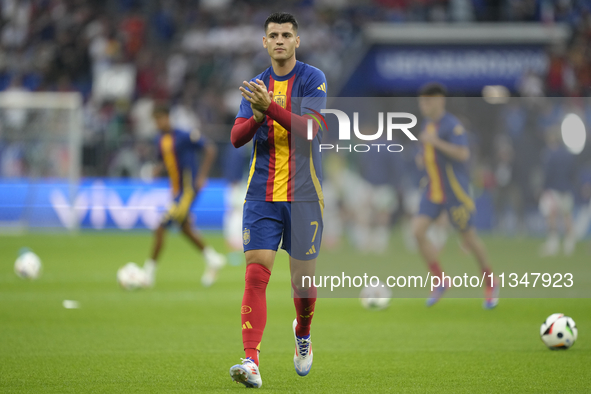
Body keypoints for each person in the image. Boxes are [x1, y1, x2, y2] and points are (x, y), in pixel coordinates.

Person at [227, 12, 327, 388]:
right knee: (256, 274)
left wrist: (269, 108)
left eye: (287, 34)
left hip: (304, 196)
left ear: (297, 41)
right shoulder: (255, 85)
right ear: (264, 42)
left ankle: (302, 334)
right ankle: (250, 361)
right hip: (261, 195)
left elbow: (310, 130)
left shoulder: (312, 79)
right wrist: (255, 116)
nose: (280, 40)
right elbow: (237, 137)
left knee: (302, 287)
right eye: (274, 35)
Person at [412, 83, 499, 309]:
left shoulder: (452, 126)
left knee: (469, 239)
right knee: (417, 231)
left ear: (440, 101)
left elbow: (463, 153)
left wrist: (435, 143)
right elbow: (427, 152)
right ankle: (439, 280)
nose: (424, 105)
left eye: (428, 100)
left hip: (454, 191)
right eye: (422, 101)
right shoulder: (427, 125)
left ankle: (490, 282)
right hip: (433, 190)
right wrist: (422, 157)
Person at [143, 104, 226, 288]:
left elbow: (210, 149)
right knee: (184, 227)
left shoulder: (184, 136)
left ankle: (148, 274)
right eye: (155, 120)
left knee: (160, 227)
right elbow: (166, 162)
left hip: (188, 190)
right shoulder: (160, 140)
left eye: (160, 119)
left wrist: (202, 175)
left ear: (167, 118)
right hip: (176, 191)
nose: (158, 123)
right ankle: (212, 258)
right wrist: (157, 170)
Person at [539, 127, 577, 256]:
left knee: (552, 216)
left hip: (553, 189)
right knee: (567, 216)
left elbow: (547, 174)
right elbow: (573, 173)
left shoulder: (549, 154)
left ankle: (553, 243)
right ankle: (569, 244)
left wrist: (543, 188)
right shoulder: (568, 154)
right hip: (567, 189)